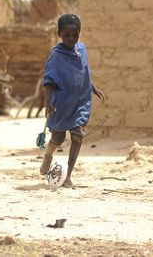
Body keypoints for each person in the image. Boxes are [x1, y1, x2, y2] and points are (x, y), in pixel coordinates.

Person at [40, 14, 106, 188]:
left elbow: (84, 72)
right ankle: (48, 153)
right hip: (62, 102)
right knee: (59, 138)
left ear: (79, 34)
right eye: (67, 35)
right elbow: (48, 80)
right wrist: (49, 101)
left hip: (82, 101)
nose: (71, 39)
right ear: (59, 34)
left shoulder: (81, 49)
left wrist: (93, 88)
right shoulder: (56, 55)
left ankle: (68, 175)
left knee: (77, 137)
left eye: (75, 35)